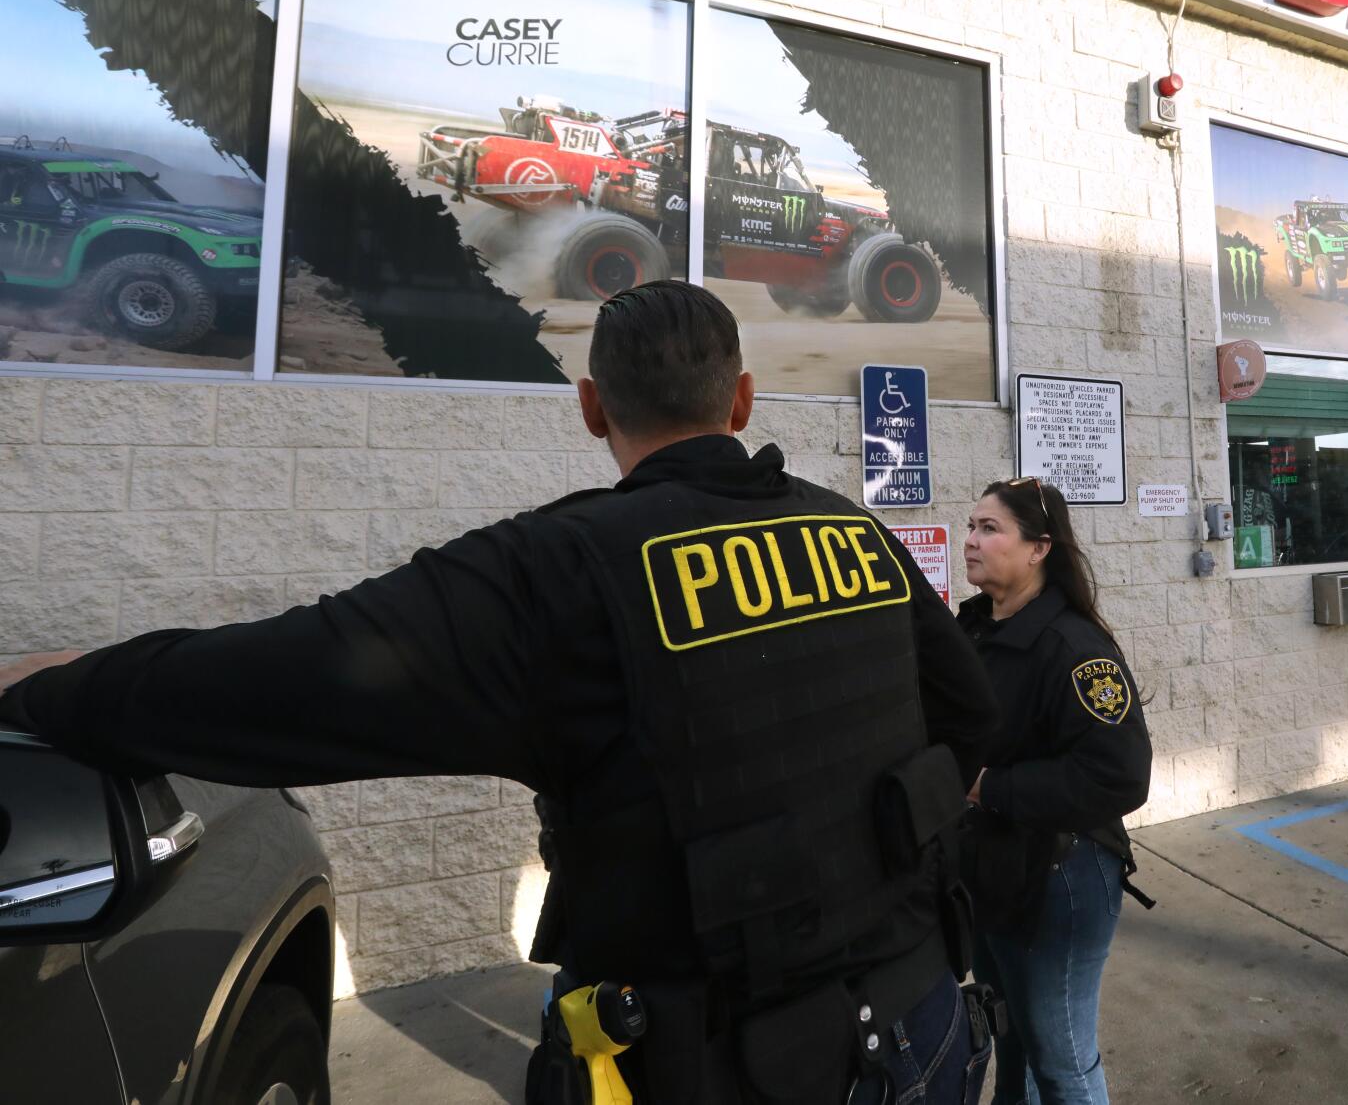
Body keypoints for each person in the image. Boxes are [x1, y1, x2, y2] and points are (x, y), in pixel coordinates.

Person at [0, 280, 1000, 1105]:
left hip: (718, 1067)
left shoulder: (553, 574)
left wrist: (50, 690)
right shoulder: (850, 532)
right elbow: (969, 718)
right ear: (740, 401)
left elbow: (273, 679)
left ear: (592, 407)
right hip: (920, 1028)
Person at [956, 477, 1153, 1105]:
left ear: (1040, 548)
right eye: (970, 526)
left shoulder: (1073, 648)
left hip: (1064, 877)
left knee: (1061, 1061)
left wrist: (992, 789)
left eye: (990, 529)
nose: (971, 541)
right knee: (1008, 1035)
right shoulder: (977, 629)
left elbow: (1120, 773)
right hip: (996, 868)